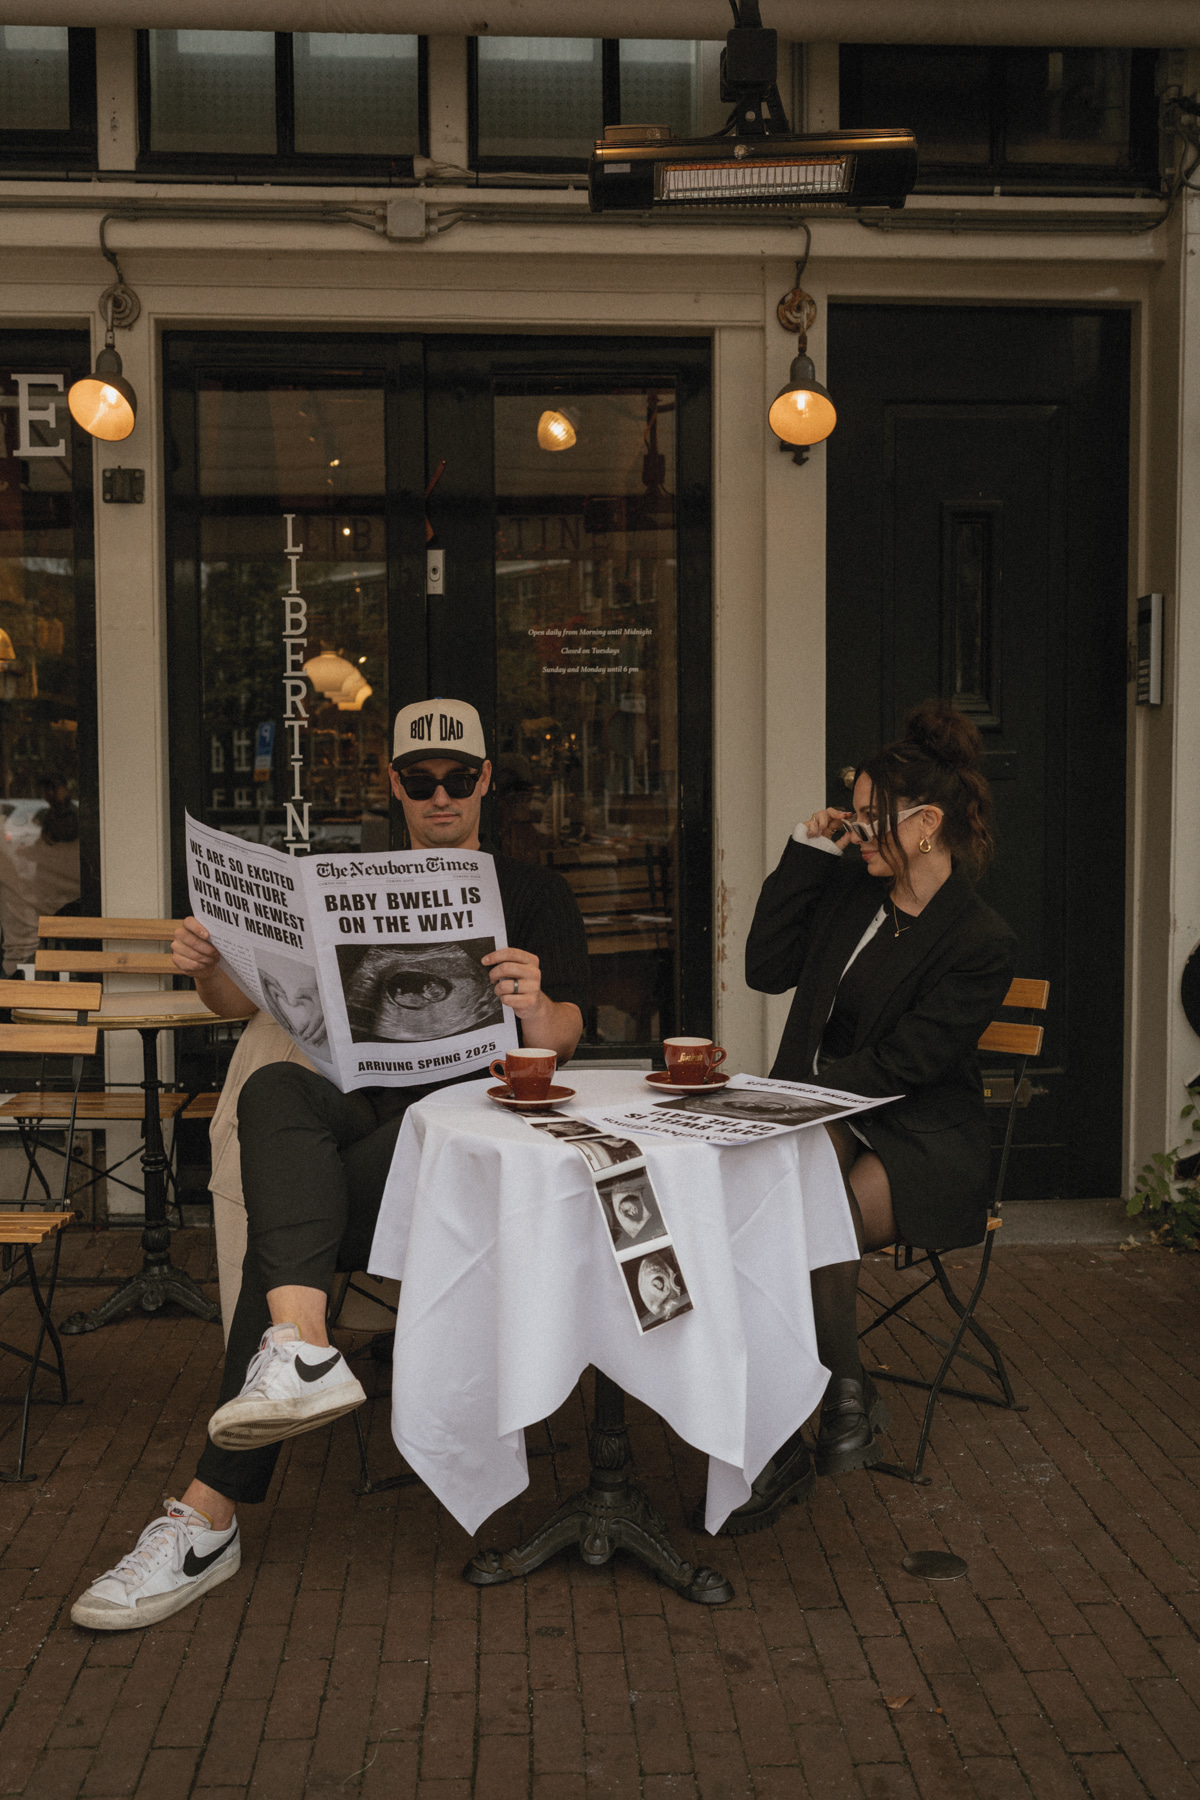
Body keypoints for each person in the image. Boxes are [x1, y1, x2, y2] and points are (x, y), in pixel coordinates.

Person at [71, 698, 589, 1630]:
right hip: (360, 1131)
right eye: (421, 779)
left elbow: (570, 1036)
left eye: (459, 778)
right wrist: (206, 957)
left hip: (463, 1139)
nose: (441, 795)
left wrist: (537, 1002)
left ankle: (208, 1511)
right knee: (274, 1099)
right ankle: (300, 1345)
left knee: (284, 1240)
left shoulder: (533, 891)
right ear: (394, 781)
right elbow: (240, 997)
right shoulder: (338, 880)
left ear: (484, 781)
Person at [719, 699, 1016, 1534]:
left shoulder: (981, 938)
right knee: (782, 1208)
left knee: (799, 1224)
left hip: (921, 1135)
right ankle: (841, 1399)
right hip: (825, 1121)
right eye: (850, 815)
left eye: (869, 818)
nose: (857, 830)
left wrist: (796, 1104)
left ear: (926, 825)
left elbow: (909, 1066)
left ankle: (781, 1445)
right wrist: (809, 853)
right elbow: (764, 968)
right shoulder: (850, 886)